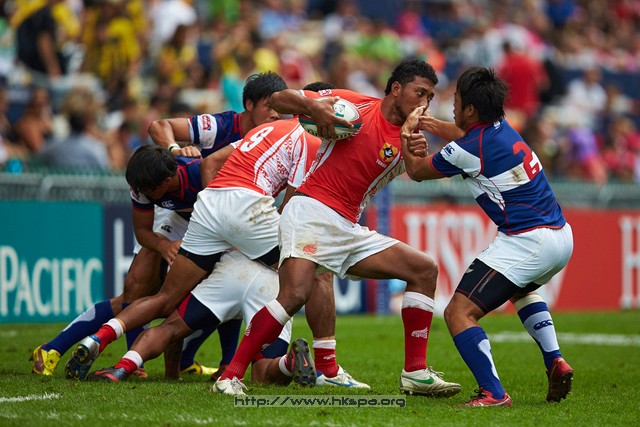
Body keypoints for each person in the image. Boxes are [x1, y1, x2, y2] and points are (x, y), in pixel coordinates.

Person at [213, 58, 461, 397]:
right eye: (420, 93)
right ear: (396, 89)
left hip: (346, 225)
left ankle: (415, 373)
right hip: (311, 210)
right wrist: (314, 108)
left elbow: (420, 170)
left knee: (423, 269)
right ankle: (230, 376)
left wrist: (416, 150)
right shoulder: (354, 106)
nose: (425, 102)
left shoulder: (410, 136)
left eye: (430, 97)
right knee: (294, 294)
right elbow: (279, 100)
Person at [65, 117, 322, 386]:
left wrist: (218, 215)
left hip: (214, 221)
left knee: (168, 311)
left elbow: (207, 160)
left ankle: (111, 351)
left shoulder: (259, 135)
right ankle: (300, 364)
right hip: (253, 242)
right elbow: (292, 205)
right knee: (309, 281)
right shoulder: (307, 141)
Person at [150, 75, 369, 388]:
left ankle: (121, 354)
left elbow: (213, 164)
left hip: (219, 216)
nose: (274, 111)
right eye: (269, 105)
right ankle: (324, 367)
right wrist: (176, 151)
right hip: (197, 212)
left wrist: (219, 218)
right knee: (314, 271)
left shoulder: (267, 129)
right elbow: (165, 130)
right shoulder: (231, 126)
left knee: (173, 303)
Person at [400, 66, 574, 407]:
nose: (452, 105)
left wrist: (407, 136)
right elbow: (463, 134)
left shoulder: (469, 148)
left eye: (456, 100)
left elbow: (417, 171)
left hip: (527, 240)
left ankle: (493, 392)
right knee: (521, 289)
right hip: (561, 236)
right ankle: (555, 360)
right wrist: (429, 124)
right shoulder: (501, 126)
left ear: (469, 109)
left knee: (458, 313)